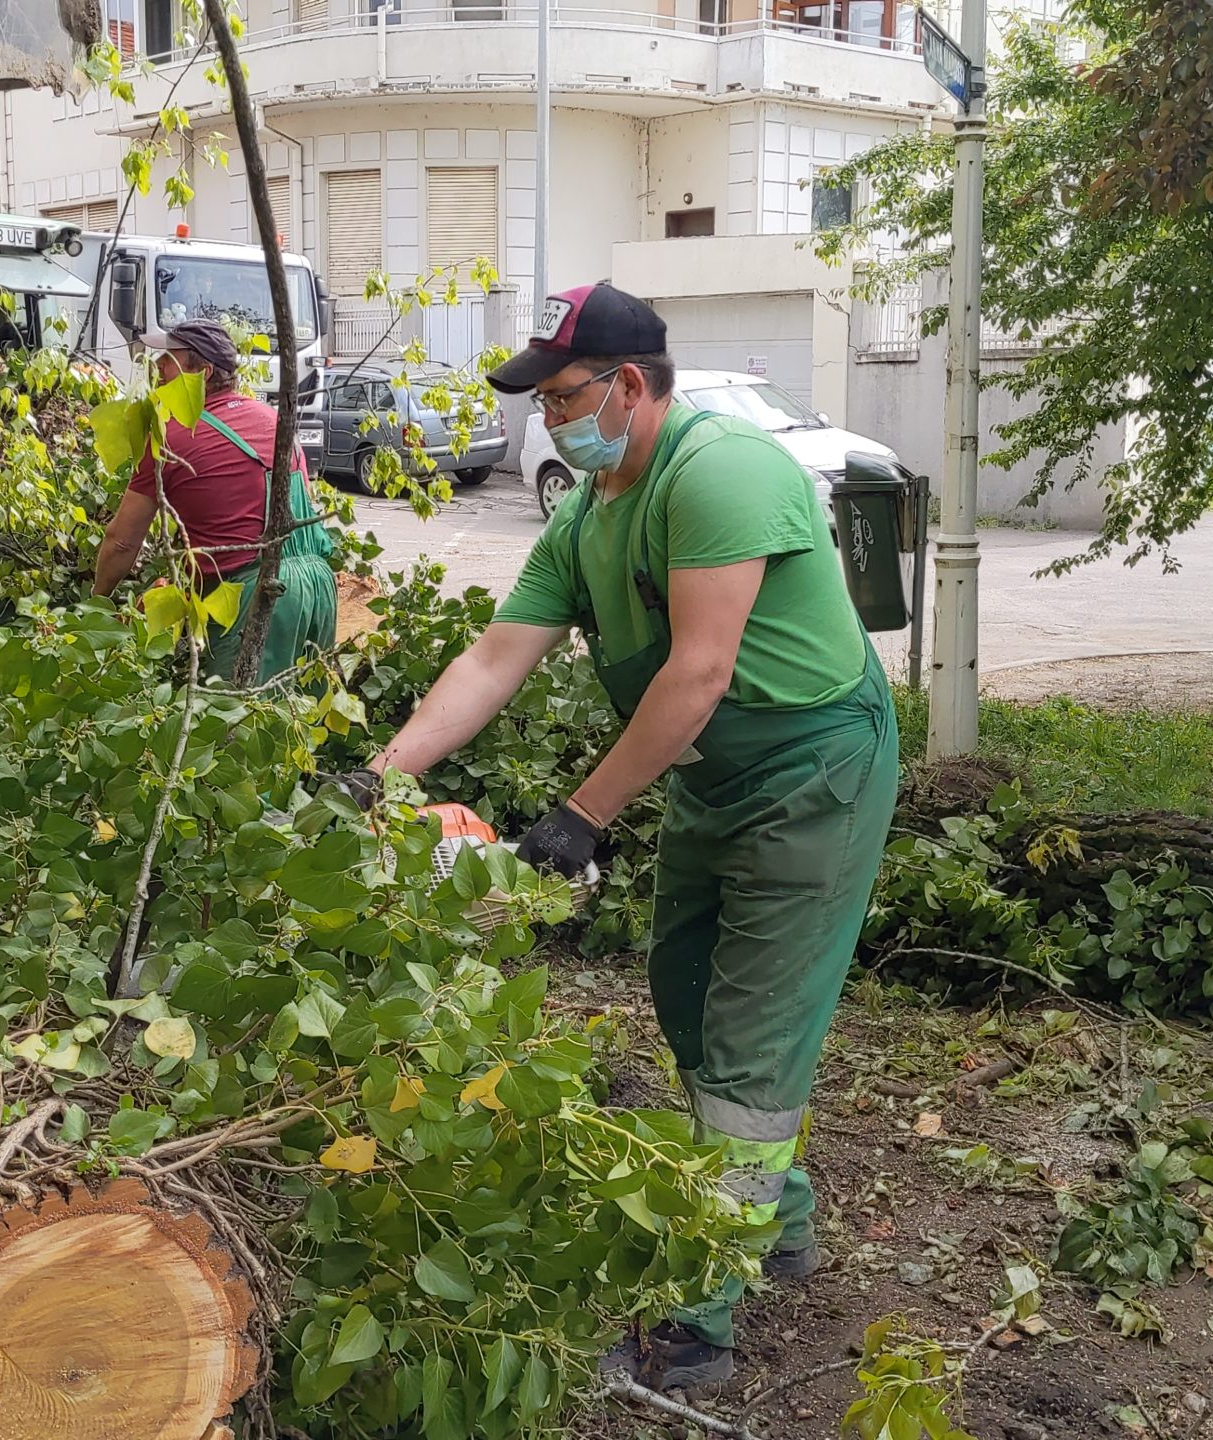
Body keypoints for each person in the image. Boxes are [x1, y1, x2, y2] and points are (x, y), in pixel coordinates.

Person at [326, 282, 899, 1392]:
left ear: (628, 386)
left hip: (814, 766)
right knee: (687, 994)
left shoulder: (718, 471)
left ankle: (694, 1321)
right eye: (540, 403)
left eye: (562, 396)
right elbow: (497, 656)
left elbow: (700, 669)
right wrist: (381, 773)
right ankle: (778, 1225)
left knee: (745, 1049)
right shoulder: (589, 514)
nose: (549, 421)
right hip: (712, 774)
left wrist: (583, 814)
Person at [92, 318, 337, 681]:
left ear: (202, 372)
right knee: (303, 717)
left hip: (256, 595)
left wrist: (97, 602)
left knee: (235, 725)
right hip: (317, 586)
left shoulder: (171, 439)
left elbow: (123, 540)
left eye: (169, 359)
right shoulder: (273, 418)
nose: (157, 366)